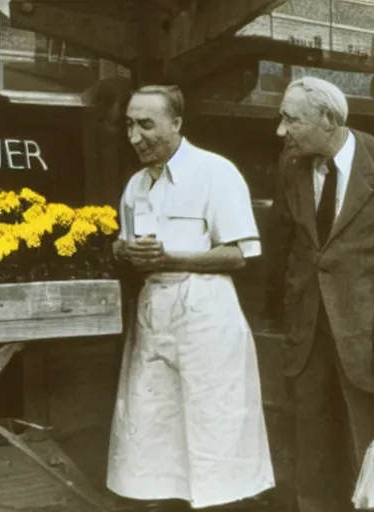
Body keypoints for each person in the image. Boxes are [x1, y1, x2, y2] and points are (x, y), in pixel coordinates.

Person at [107, 84, 275, 510]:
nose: (135, 136)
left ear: (177, 123)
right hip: (154, 308)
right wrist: (122, 251)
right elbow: (127, 248)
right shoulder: (135, 186)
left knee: (212, 416)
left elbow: (239, 255)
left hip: (205, 310)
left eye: (147, 124)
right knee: (152, 417)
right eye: (130, 124)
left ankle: (224, 504)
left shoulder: (216, 173)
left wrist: (172, 257)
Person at [265, 76, 374, 512]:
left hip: (364, 339)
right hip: (308, 336)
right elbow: (283, 244)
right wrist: (282, 317)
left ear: (328, 120)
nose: (280, 130)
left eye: (290, 119)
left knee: (362, 452)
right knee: (311, 455)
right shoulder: (290, 165)